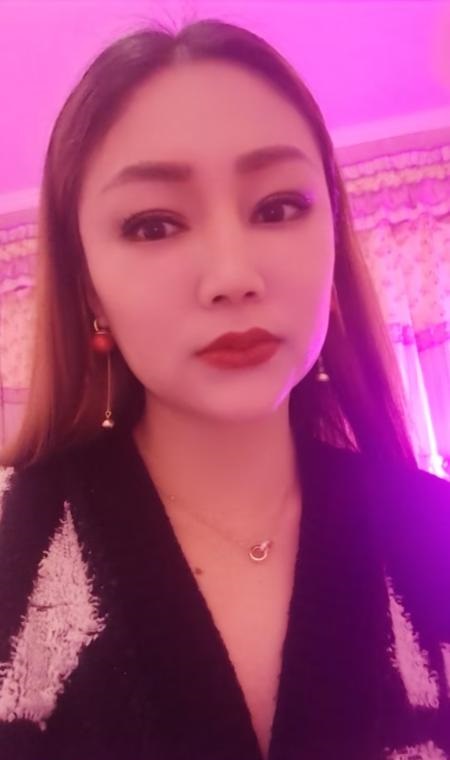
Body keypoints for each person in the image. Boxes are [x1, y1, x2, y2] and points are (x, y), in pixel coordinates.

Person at [0, 15, 449, 760]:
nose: (234, 276)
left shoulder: (434, 529)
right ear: (88, 285)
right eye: (153, 225)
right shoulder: (12, 542)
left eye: (278, 208)